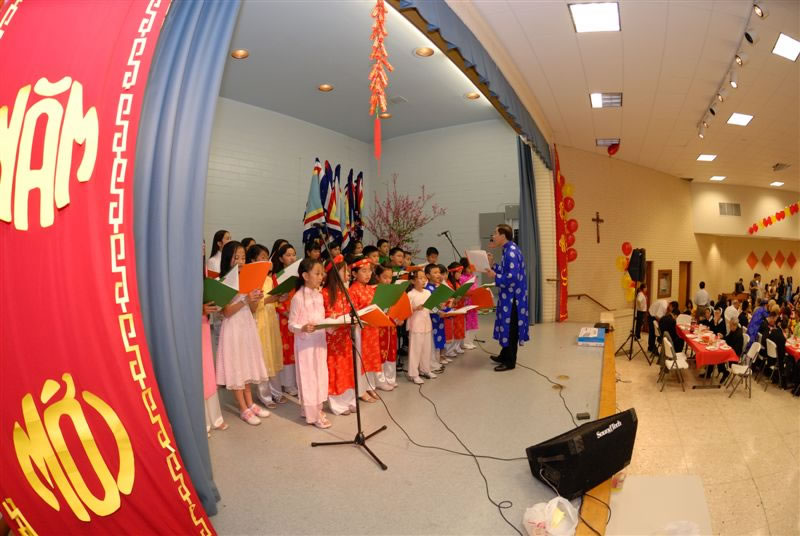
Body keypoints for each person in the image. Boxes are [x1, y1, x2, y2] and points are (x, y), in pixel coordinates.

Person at [215, 241, 271, 425]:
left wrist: (255, 298)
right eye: (236, 257)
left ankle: (250, 403)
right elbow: (226, 312)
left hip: (247, 325)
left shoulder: (247, 278)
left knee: (246, 364)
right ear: (227, 259)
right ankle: (242, 408)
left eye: (243, 258)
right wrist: (245, 300)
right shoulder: (223, 282)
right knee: (236, 366)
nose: (240, 261)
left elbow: (253, 309)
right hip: (232, 328)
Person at [289, 258, 331, 429]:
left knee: (320, 374)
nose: (321, 277)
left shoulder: (319, 296)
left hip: (319, 341)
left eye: (322, 273)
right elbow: (291, 325)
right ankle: (313, 415)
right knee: (309, 377)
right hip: (305, 344)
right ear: (305, 276)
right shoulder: (298, 298)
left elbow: (321, 319)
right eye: (317, 273)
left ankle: (314, 409)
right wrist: (303, 327)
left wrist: (331, 324)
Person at [486, 224, 529, 371]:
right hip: (509, 297)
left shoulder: (510, 252)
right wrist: (493, 265)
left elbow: (512, 278)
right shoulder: (508, 250)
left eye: (495, 233)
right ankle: (504, 355)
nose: (493, 236)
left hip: (513, 299)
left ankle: (510, 362)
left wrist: (495, 276)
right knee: (506, 326)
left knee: (510, 329)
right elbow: (506, 272)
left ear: (503, 235)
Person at [247, 244, 286, 408]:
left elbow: (274, 302)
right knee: (262, 358)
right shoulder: (250, 280)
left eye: (266, 257)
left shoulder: (270, 279)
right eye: (262, 257)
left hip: (271, 321)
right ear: (253, 260)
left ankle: (277, 392)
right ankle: (265, 396)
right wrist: (268, 300)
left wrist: (280, 298)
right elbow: (250, 307)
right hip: (258, 322)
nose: (265, 260)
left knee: (273, 356)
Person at [321, 255, 357, 415]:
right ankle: (337, 403)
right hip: (332, 339)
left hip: (346, 336)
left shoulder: (346, 291)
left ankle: (349, 399)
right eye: (344, 270)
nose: (347, 273)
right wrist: (333, 319)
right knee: (335, 369)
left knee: (348, 368)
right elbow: (322, 317)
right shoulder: (324, 293)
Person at [201, 241, 226, 435]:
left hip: (203, 322)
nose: (202, 247)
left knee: (207, 368)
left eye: (203, 243)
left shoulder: (203, 270)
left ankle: (214, 417)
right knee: (197, 371)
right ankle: (201, 421)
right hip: (188, 324)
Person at [349, 256, 381, 401]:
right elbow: (353, 312)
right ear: (354, 273)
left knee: (371, 358)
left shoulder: (370, 288)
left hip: (372, 327)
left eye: (369, 271)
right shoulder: (352, 290)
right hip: (361, 329)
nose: (368, 274)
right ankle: (361, 390)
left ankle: (370, 386)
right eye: (364, 271)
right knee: (361, 359)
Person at [271, 242, 299, 396]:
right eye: (288, 255)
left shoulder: (300, 275)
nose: (292, 258)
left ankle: (297, 381)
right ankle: (287, 383)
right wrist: (286, 313)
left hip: (298, 316)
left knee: (297, 348)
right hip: (284, 318)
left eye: (294, 254)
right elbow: (274, 299)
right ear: (281, 258)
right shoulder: (276, 277)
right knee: (286, 350)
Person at [374, 265, 399, 390]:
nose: (388, 280)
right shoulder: (374, 291)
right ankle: (380, 380)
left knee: (391, 350)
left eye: (390, 277)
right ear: (377, 277)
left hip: (391, 324)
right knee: (381, 351)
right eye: (385, 277)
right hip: (379, 326)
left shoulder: (393, 290)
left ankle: (390, 377)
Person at [406, 270, 434, 384]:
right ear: (413, 281)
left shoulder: (427, 292)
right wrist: (415, 308)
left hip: (427, 324)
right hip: (416, 325)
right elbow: (406, 310)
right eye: (420, 278)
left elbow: (431, 308)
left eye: (424, 278)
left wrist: (439, 307)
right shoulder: (410, 294)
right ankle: (413, 374)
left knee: (426, 349)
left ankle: (425, 369)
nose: (423, 280)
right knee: (415, 350)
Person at [424, 263, 446, 375]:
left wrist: (444, 307)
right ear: (428, 275)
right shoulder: (427, 289)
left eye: (439, 272)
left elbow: (438, 303)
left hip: (438, 318)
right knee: (432, 342)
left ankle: (436, 362)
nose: (438, 275)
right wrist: (438, 310)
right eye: (435, 273)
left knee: (438, 340)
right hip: (432, 319)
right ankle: (431, 364)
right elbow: (429, 305)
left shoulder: (437, 287)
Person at [443, 262, 466, 357]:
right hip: (453, 310)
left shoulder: (457, 282)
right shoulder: (449, 284)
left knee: (459, 328)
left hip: (459, 309)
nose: (460, 275)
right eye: (458, 272)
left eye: (461, 273)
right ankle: (449, 350)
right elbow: (447, 299)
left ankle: (456, 347)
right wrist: (455, 300)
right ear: (452, 273)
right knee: (452, 330)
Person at [459, 257, 479, 350]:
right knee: (467, 322)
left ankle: (470, 341)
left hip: (473, 301)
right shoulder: (461, 278)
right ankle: (465, 342)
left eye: (471, 268)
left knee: (473, 322)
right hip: (466, 302)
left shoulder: (472, 276)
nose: (470, 270)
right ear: (463, 268)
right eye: (468, 268)